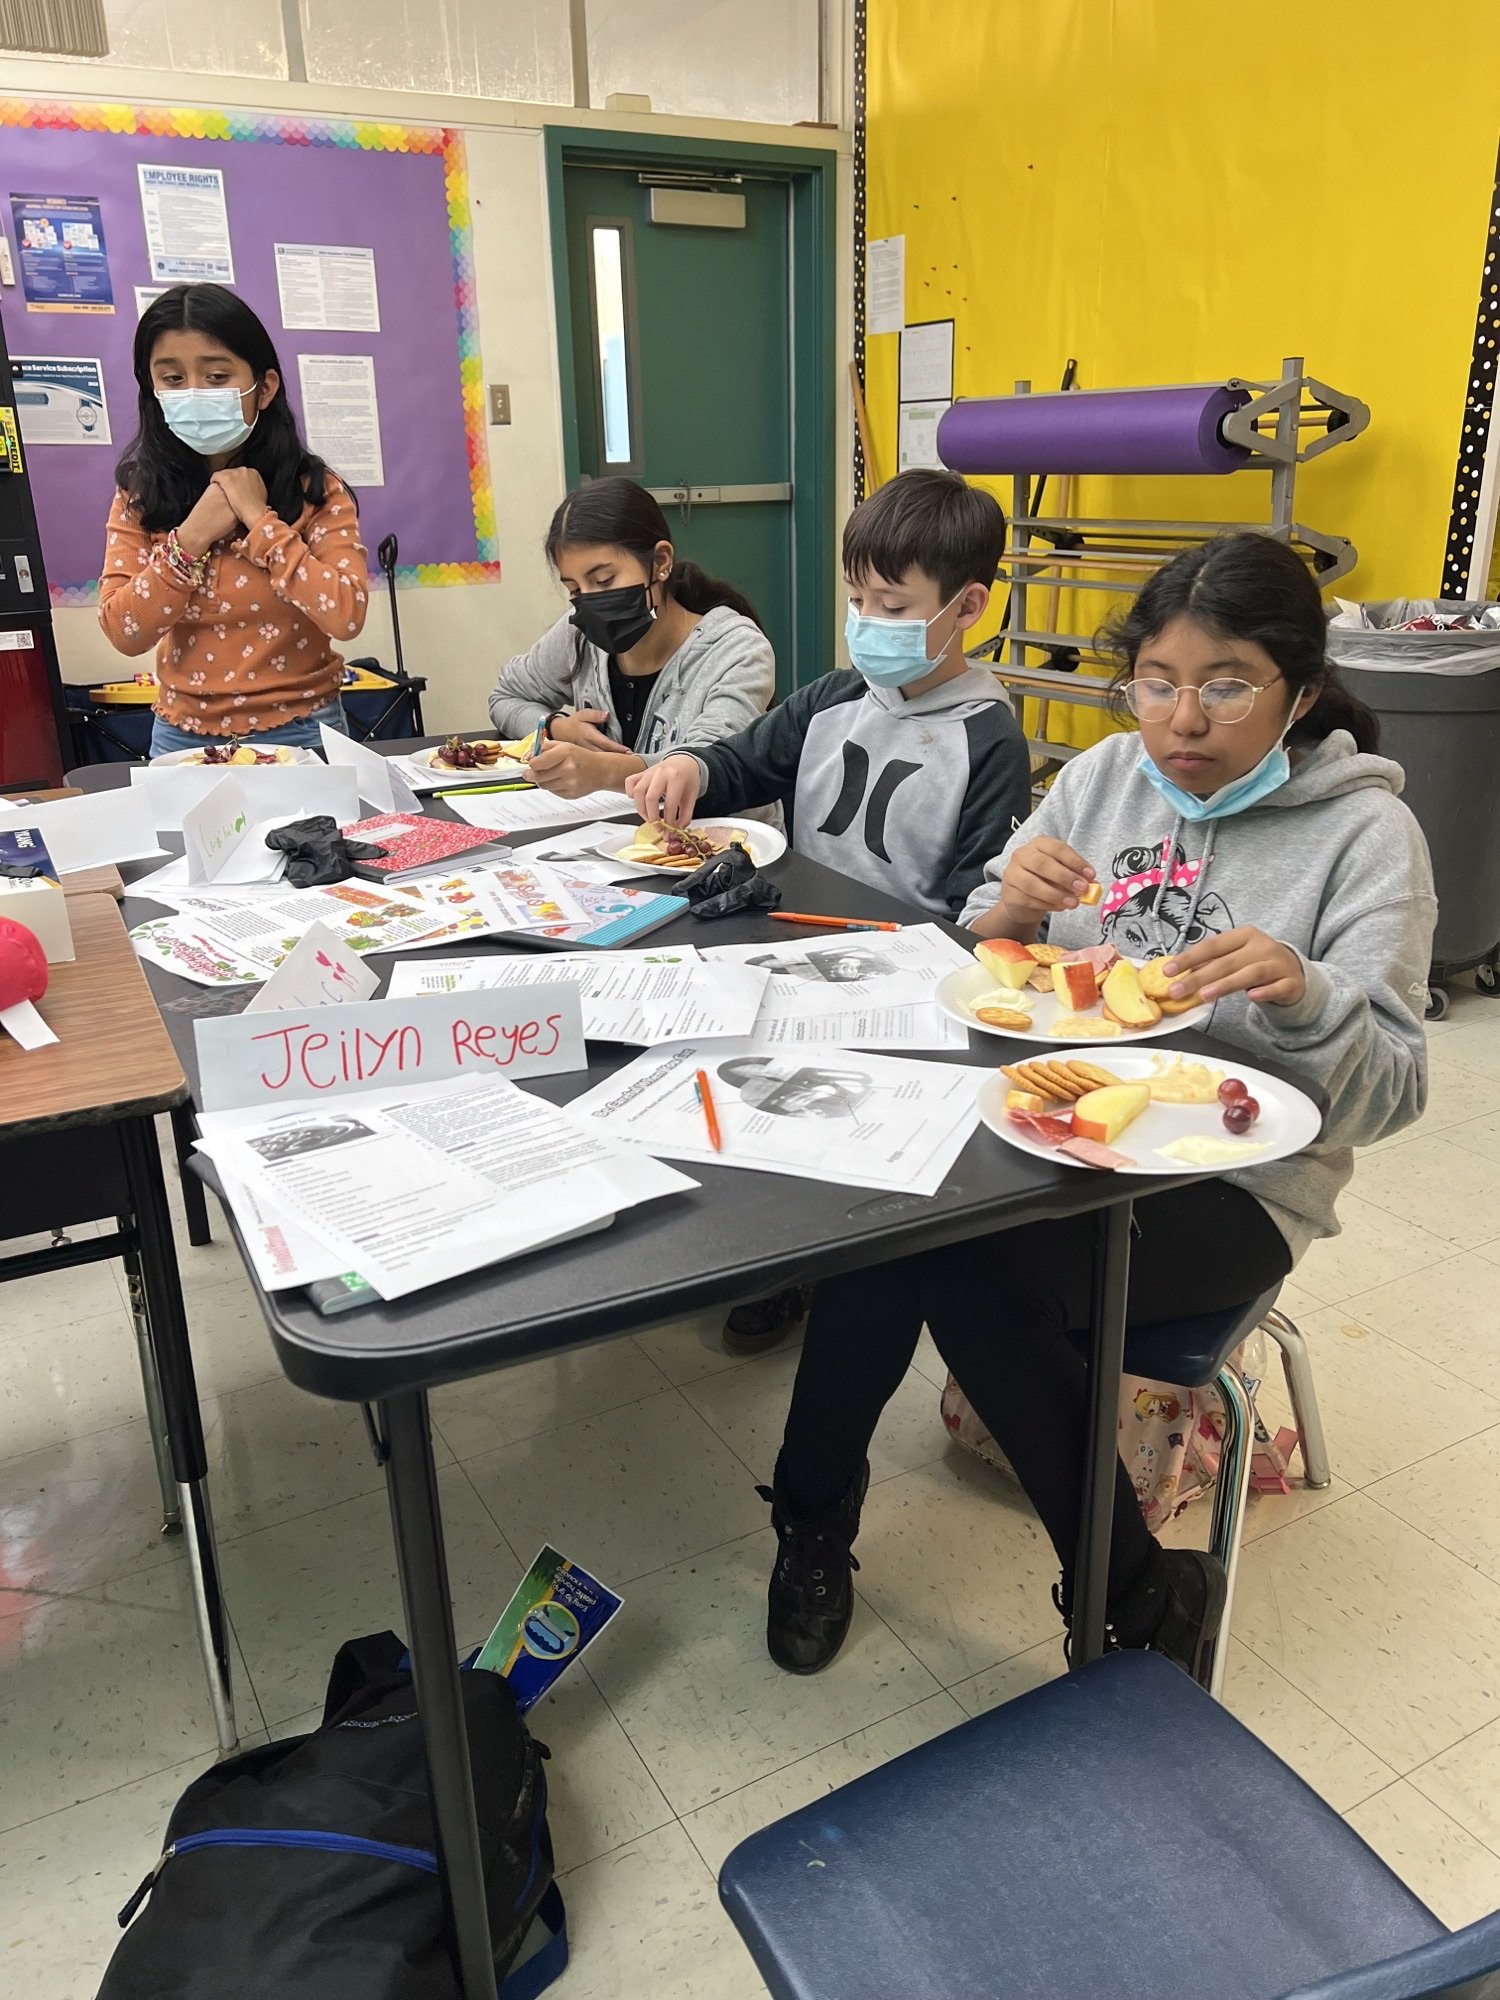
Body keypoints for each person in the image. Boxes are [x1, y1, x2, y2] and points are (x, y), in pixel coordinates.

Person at [759, 533, 1436, 1681]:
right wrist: (1008, 910)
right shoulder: (1103, 776)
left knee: (966, 1270)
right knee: (881, 1225)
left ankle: (1123, 1587)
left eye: (1226, 683)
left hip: (1236, 1179)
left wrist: (1312, 992)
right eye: (1158, 681)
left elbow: (1395, 1090)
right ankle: (814, 1524)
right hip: (1058, 1133)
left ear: (1301, 691)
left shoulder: (1368, 835)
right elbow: (990, 952)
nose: (1183, 718)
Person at [628, 468, 1030, 1354]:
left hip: (904, 981)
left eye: (892, 605)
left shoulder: (987, 735)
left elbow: (977, 906)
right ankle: (738, 1229)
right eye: (856, 600)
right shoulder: (837, 696)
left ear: (966, 607)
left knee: (827, 1124)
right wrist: (693, 769)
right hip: (793, 941)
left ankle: (805, 1266)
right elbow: (744, 763)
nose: (867, 625)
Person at [99, 284, 367, 756]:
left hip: (303, 730)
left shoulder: (315, 491)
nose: (195, 393)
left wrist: (259, 522)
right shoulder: (140, 496)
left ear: (264, 388)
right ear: (153, 389)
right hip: (183, 737)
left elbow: (345, 615)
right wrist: (193, 535)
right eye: (173, 379)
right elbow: (125, 631)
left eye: (217, 375)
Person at [487, 478, 775, 800]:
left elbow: (707, 764)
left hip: (719, 839)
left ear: (661, 562)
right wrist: (554, 726)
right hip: (612, 838)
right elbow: (506, 696)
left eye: (604, 580)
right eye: (575, 590)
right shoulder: (578, 634)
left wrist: (602, 770)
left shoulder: (737, 650)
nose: (591, 602)